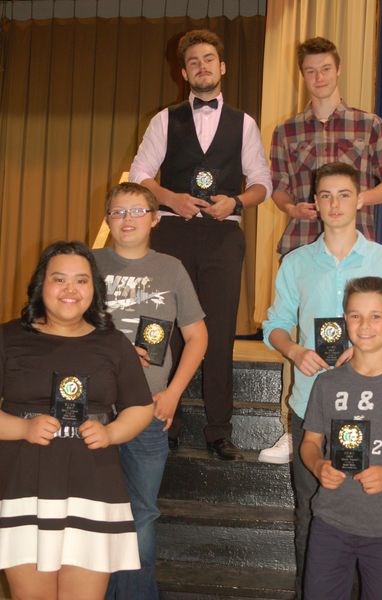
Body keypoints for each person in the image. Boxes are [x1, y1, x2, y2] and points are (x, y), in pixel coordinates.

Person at [130, 28, 272, 460]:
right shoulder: (164, 119)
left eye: (209, 59)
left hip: (224, 234)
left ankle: (218, 429)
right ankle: (160, 421)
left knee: (220, 331)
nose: (202, 67)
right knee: (161, 328)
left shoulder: (244, 122)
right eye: (194, 62)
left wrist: (237, 200)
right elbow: (139, 174)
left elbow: (263, 183)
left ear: (222, 67)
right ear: (184, 72)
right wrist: (170, 198)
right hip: (171, 230)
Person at [262, 162, 382, 598]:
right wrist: (295, 350)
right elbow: (275, 325)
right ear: (314, 203)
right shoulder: (296, 263)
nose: (335, 203)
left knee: (381, 521)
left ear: (359, 200)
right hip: (314, 408)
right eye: (326, 195)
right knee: (316, 516)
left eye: (344, 194)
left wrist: (376, 350)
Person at [260, 35, 382, 465]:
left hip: (355, 243)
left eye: (325, 69)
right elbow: (277, 190)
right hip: (304, 242)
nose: (318, 77)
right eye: (310, 71)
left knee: (361, 329)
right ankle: (295, 426)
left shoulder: (368, 123)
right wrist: (295, 206)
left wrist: (354, 200)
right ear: (302, 76)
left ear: (337, 71)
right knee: (302, 332)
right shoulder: (286, 130)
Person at [0, 241, 154, 600]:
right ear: (41, 286)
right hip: (23, 487)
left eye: (81, 281)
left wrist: (112, 432)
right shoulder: (8, 338)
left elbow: (140, 407)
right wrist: (22, 427)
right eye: (59, 279)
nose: (70, 289)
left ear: (94, 290)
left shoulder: (114, 344)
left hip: (94, 487)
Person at [94, 181, 207, 600]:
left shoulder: (172, 268)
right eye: (118, 212)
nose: (127, 220)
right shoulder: (87, 264)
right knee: (93, 514)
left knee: (141, 514)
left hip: (147, 410)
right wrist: (113, 350)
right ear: (106, 219)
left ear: (155, 219)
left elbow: (198, 336)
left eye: (137, 211)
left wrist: (174, 393)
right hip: (91, 411)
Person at [301, 276, 382, 599]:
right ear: (345, 321)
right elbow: (310, 443)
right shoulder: (327, 383)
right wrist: (318, 467)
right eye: (355, 315)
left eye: (376, 316)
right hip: (332, 523)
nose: (365, 325)